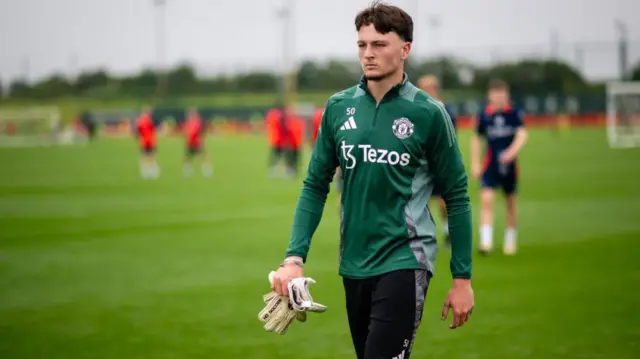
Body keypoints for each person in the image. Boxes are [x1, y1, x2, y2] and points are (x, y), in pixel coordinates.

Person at [270, 3, 474, 359]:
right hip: (354, 263)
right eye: (362, 44)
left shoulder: (428, 113)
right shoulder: (338, 107)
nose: (368, 53)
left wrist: (462, 279)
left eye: (379, 44)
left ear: (405, 49)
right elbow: (315, 185)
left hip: (405, 259)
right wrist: (293, 257)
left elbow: (456, 195)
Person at [471, 79, 528, 255]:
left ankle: (510, 240)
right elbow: (477, 138)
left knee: (511, 203)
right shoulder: (484, 115)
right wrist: (475, 163)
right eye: (496, 94)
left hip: (510, 167)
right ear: (490, 96)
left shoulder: (514, 113)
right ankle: (485, 242)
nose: (499, 97)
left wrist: (512, 152)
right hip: (490, 165)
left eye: (502, 94)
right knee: (486, 201)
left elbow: (522, 134)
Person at [418, 74, 458, 247]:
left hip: (440, 163)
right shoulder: (417, 108)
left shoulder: (445, 110)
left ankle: (447, 230)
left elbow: (451, 137)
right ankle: (423, 234)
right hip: (421, 163)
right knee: (419, 199)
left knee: (442, 201)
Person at [182, 107, 213, 177]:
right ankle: (187, 169)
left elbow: (202, 132)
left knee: (203, 156)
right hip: (191, 142)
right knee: (188, 156)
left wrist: (202, 140)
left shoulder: (198, 122)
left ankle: (206, 170)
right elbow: (187, 133)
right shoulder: (188, 122)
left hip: (198, 142)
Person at [135, 106, 159, 179]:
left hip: (149, 140)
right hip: (147, 140)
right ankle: (147, 170)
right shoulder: (144, 120)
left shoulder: (143, 120)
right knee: (147, 155)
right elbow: (139, 130)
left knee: (148, 155)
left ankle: (149, 169)